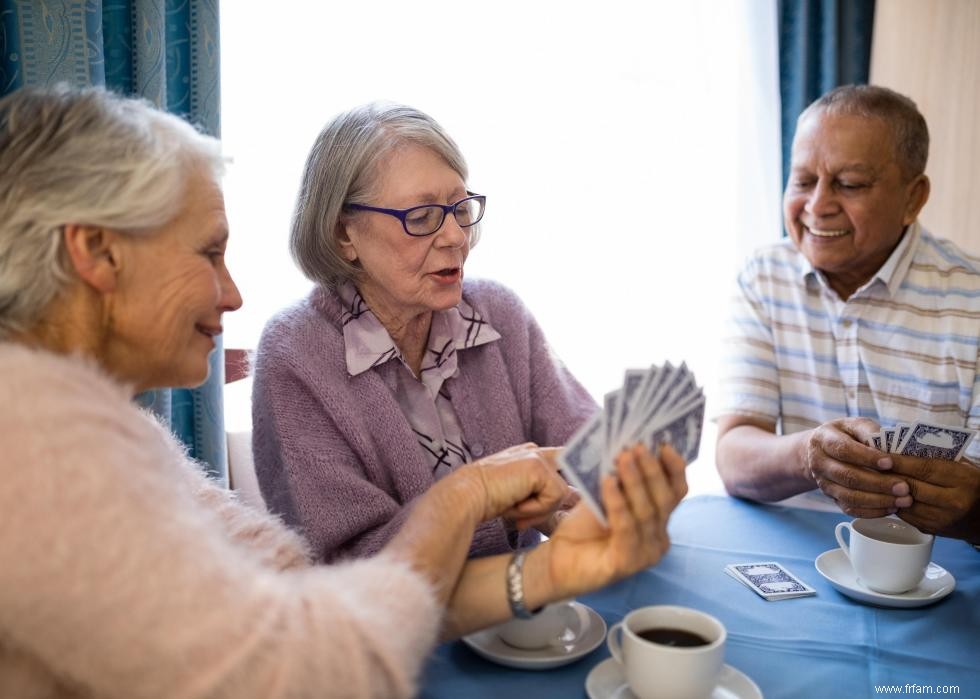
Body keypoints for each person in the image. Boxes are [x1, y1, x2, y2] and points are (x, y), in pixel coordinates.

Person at [0, 85, 687, 698]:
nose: (234, 292)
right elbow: (305, 660)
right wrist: (475, 494)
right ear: (95, 250)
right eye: (209, 253)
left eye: (460, 208)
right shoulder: (35, 443)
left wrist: (559, 557)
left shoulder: (118, 431)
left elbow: (308, 595)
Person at [252, 102, 597, 562]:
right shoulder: (296, 356)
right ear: (343, 235)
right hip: (391, 629)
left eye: (460, 208)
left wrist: (625, 473)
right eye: (422, 217)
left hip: (523, 624)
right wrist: (501, 501)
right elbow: (348, 567)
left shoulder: (499, 313)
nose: (456, 236)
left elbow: (587, 449)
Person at [716, 84, 980, 546]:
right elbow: (734, 457)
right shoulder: (763, 277)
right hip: (795, 550)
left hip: (943, 566)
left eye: (850, 184)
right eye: (802, 181)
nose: (817, 206)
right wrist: (809, 454)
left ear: (913, 198)